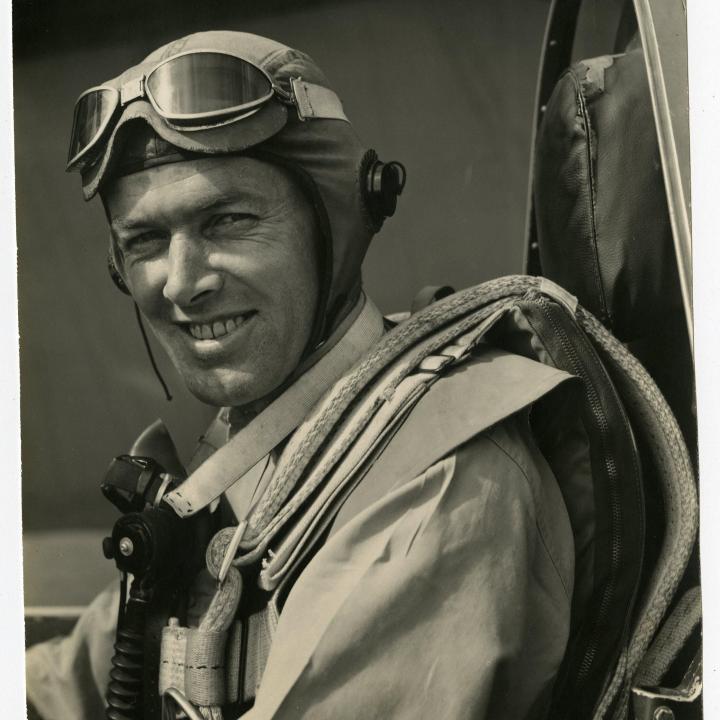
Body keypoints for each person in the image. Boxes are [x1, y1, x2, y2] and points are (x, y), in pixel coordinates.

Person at [26, 30, 578, 720]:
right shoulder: (252, 450)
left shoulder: (438, 476)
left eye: (227, 220)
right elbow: (61, 686)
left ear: (335, 225)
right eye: (144, 241)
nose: (182, 283)